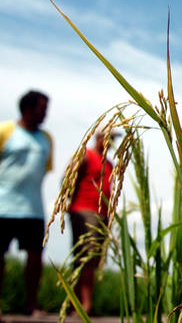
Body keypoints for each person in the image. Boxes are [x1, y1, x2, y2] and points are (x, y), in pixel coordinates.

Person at [0, 90, 53, 319]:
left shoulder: (46, 139)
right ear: (27, 108)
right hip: (3, 205)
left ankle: (31, 304)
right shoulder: (2, 132)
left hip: (33, 207)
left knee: (35, 255)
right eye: (42, 108)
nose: (46, 113)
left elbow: (44, 170)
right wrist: (0, 187)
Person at [68, 125, 116, 314]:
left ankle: (79, 304)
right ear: (99, 138)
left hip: (102, 214)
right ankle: (83, 306)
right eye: (109, 138)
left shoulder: (109, 163)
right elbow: (68, 179)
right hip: (84, 210)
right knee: (85, 258)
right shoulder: (85, 156)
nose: (111, 142)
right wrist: (69, 205)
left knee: (93, 259)